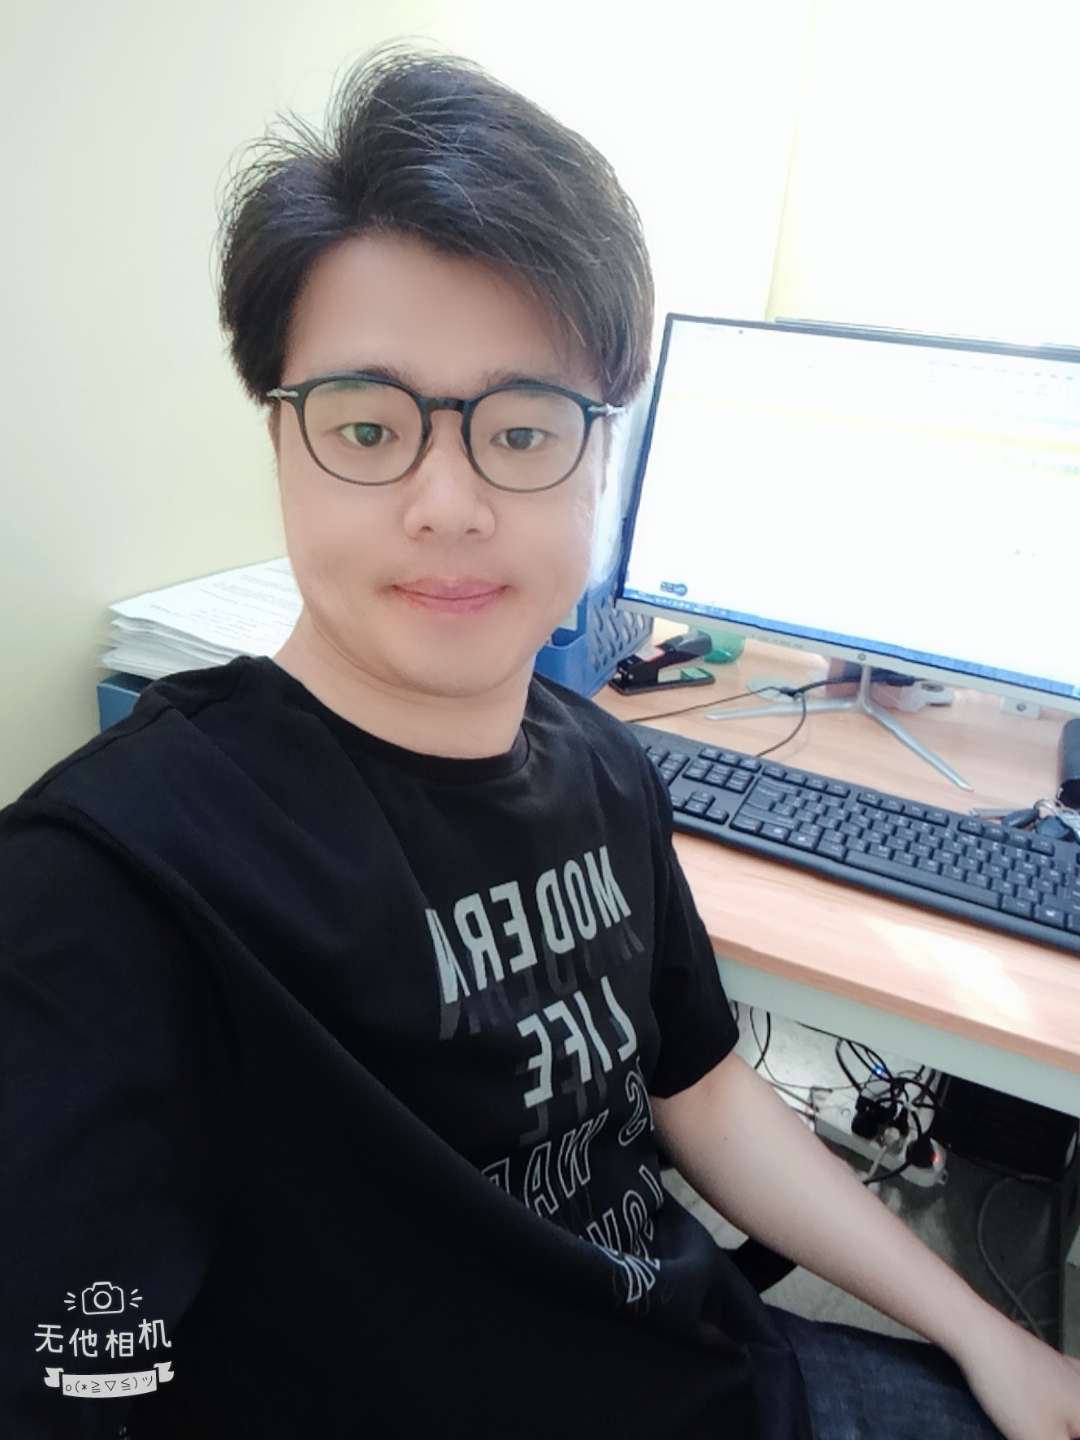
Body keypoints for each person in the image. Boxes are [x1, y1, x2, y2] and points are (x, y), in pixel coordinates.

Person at [1, 38, 1078, 1440]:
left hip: (720, 1373)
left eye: (521, 431)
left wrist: (990, 1338)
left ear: (600, 457)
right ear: (280, 443)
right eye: (369, 428)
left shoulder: (602, 763)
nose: (447, 502)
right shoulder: (109, 887)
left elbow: (703, 1091)